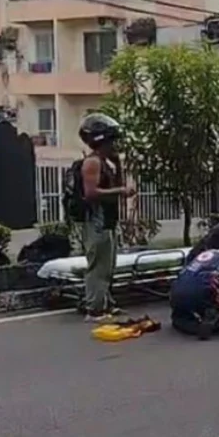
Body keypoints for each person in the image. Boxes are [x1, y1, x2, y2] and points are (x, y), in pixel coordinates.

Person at [78, 113, 136, 323]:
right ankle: (94, 308)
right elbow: (90, 193)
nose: (115, 145)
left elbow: (114, 183)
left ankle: (106, 302)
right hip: (96, 221)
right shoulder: (92, 163)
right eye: (112, 140)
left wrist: (118, 165)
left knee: (108, 264)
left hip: (108, 220)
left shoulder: (105, 162)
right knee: (98, 266)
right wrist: (121, 191)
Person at [170, 242, 219, 340]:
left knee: (181, 316)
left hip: (175, 291)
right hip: (197, 293)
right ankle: (212, 323)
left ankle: (182, 322)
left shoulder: (209, 253)